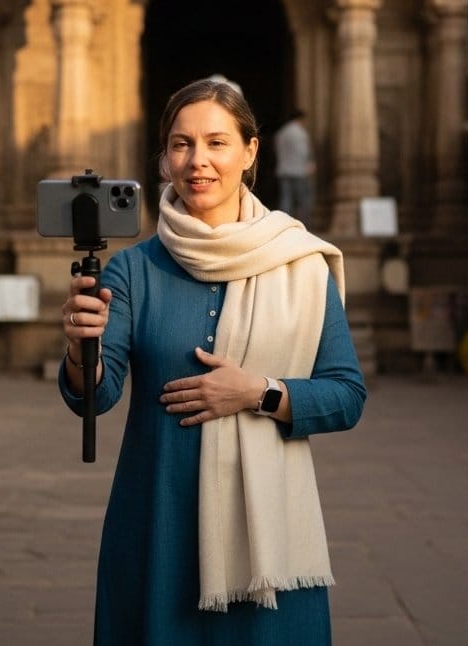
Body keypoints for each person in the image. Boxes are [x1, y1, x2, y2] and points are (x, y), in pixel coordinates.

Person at [59, 78, 366, 644]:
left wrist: (259, 393)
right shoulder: (134, 270)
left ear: (250, 152)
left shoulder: (299, 263)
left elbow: (346, 396)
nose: (198, 161)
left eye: (217, 143)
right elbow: (96, 395)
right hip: (159, 523)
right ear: (163, 158)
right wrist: (83, 347)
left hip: (269, 543)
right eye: (181, 144)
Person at [273, 109, 315, 229]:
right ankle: (305, 226)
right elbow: (303, 152)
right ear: (301, 119)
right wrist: (309, 164)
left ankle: (284, 226)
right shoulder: (300, 133)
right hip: (299, 171)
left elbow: (276, 150)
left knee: (286, 199)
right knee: (303, 200)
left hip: (284, 169)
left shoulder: (281, 133)